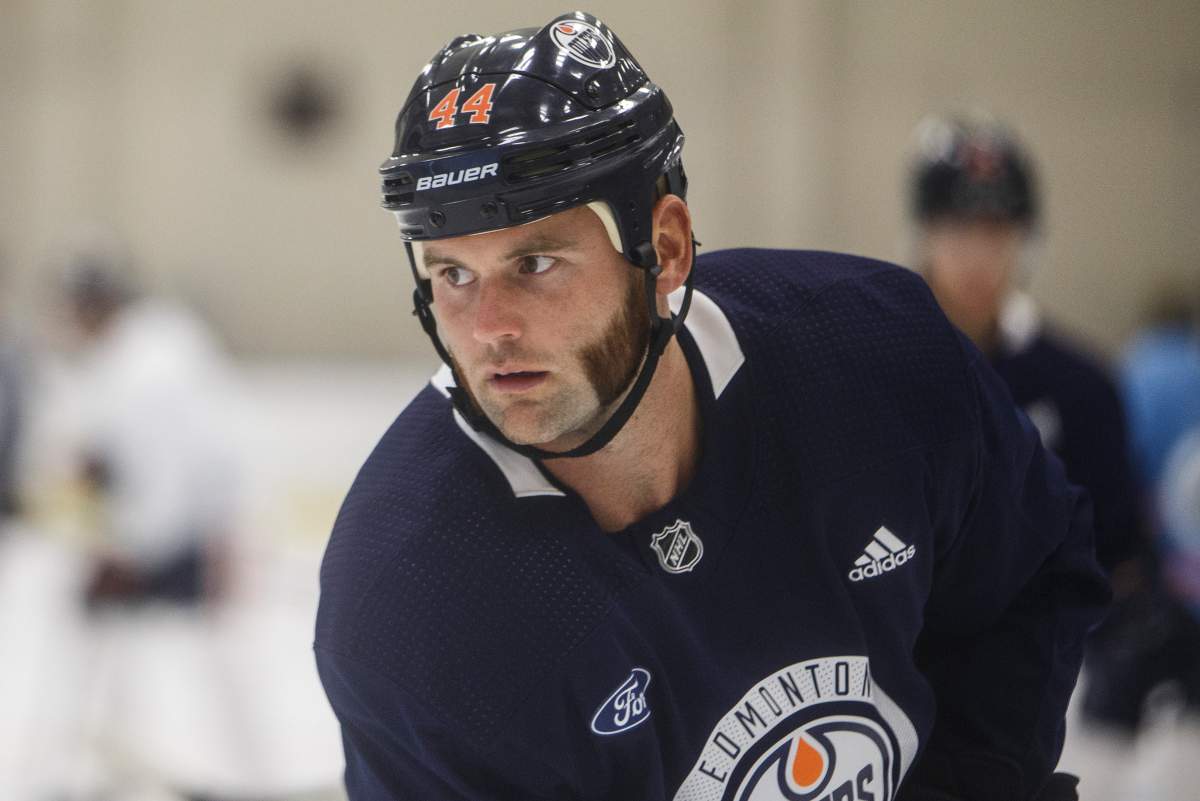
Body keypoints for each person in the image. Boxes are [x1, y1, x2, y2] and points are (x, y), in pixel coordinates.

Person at [315, 13, 1108, 801]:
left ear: (664, 250)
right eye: (452, 275)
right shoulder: (404, 595)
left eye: (536, 261)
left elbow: (1031, 571)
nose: (489, 329)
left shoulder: (877, 355)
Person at [907, 113, 1141, 577]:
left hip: (1046, 641)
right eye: (957, 229)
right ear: (924, 235)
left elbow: (1113, 549)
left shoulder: (1082, 388)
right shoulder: (878, 372)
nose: (976, 256)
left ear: (1023, 239)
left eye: (994, 231)